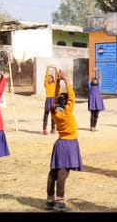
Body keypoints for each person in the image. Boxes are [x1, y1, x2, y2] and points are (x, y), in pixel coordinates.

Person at [46, 70, 81, 211]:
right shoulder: (67, 112)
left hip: (60, 143)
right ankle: (60, 201)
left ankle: (50, 199)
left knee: (54, 171)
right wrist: (66, 80)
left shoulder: (55, 112)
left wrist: (58, 84)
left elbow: (55, 98)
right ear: (66, 103)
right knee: (63, 173)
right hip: (69, 143)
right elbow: (72, 96)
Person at [42, 64, 59, 135]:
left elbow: (57, 76)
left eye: (50, 78)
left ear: (53, 79)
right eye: (48, 78)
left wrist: (55, 69)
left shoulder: (55, 84)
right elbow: (46, 77)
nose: (49, 79)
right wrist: (48, 69)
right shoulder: (47, 84)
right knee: (46, 114)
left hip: (53, 99)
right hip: (48, 99)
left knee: (53, 115)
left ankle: (53, 129)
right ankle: (44, 129)